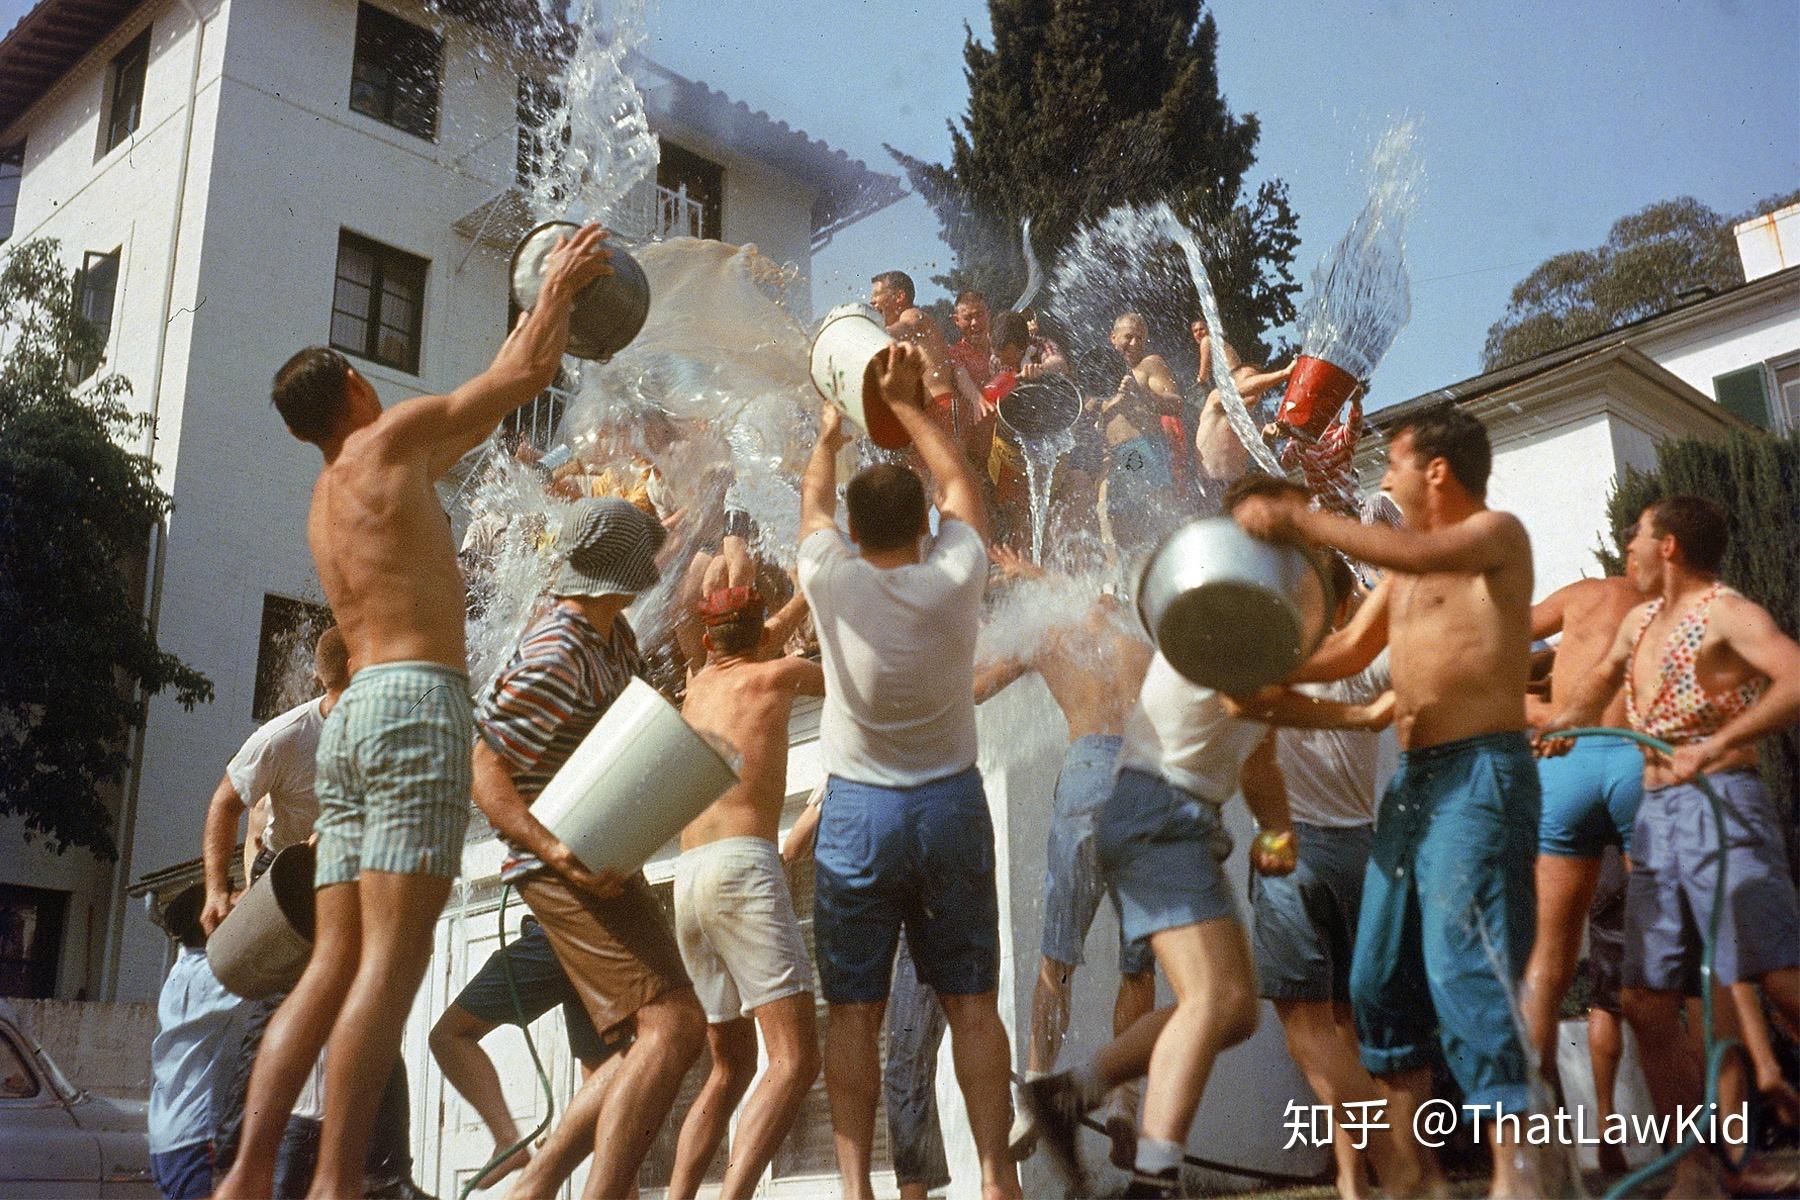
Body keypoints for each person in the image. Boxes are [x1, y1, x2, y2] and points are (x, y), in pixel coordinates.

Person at [213, 222, 616, 1200]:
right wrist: (557, 285)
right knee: (392, 965)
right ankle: (335, 1185)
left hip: (350, 718)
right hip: (412, 706)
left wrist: (536, 318)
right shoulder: (390, 440)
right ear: (357, 386)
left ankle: (249, 1175)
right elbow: (525, 374)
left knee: (333, 964)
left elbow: (489, 402)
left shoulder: (330, 494)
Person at [1233, 407, 1546, 1200]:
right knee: (1379, 983)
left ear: (1437, 471)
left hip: (1480, 777)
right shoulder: (1403, 572)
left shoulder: (1493, 536)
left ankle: (1522, 1178)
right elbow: (1344, 651)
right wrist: (1257, 668)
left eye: (1394, 463)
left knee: (1467, 968)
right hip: (1414, 787)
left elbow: (1411, 549)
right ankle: (1418, 1182)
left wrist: (1299, 517)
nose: (1383, 476)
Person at [796, 342, 1021, 1200]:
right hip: (949, 806)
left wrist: (831, 435)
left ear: (855, 534)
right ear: (925, 530)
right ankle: (997, 1180)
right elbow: (960, 483)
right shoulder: (955, 574)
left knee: (856, 1014)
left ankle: (858, 1188)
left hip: (858, 814)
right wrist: (912, 406)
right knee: (971, 1004)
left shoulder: (830, 579)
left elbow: (813, 504)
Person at [1542, 494, 1800, 1197]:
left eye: (1638, 536)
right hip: (1657, 816)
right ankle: (1698, 1166)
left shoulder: (1727, 613)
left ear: (1670, 546)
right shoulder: (1640, 621)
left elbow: (1793, 678)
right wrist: (1562, 722)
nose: (1627, 547)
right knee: (1646, 999)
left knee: (1779, 980)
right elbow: (1596, 682)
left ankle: (1729, 1155)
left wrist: (1717, 743)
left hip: (1724, 805)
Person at [471, 496, 709, 1199]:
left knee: (651, 1041)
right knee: (673, 1028)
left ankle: (537, 1186)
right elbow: (484, 770)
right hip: (560, 863)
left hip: (598, 853)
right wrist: (556, 853)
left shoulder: (612, 635)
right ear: (619, 574)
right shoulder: (561, 650)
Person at [1221, 553, 1426, 1199]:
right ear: (1344, 605)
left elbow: (1250, 762)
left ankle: (1382, 1174)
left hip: (1291, 850)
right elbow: (1428, 674)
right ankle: (1353, 1179)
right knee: (1347, 1031)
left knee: (1312, 1036)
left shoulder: (1263, 663)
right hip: (1362, 856)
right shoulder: (1363, 664)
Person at [971, 546, 1157, 1169]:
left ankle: (1036, 1089)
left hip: (1085, 777)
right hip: (1142, 778)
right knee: (1138, 964)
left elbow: (974, 689)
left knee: (1058, 957)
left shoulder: (1048, 631)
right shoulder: (1135, 625)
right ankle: (1124, 1103)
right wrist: (1034, 574)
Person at [665, 582, 826, 1199]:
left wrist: (805, 594)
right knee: (794, 1060)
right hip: (741, 870)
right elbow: (863, 683)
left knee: (730, 1068)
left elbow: (755, 636)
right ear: (760, 635)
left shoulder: (698, 685)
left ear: (708, 640)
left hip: (687, 877)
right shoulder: (779, 676)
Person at [1516, 573, 1646, 1099]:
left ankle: (1539, 1130)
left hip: (1568, 756)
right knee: (1677, 961)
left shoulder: (1582, 595)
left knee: (1547, 963)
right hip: (1635, 754)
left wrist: (1535, 710)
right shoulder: (1667, 602)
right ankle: (1715, 1134)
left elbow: (1499, 633)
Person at [426, 919, 632, 1193]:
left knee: (448, 1035)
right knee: (607, 1106)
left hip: (559, 935)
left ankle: (508, 1141)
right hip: (602, 948)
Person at [148, 885, 248, 1200]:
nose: (237, 897)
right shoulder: (219, 976)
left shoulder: (180, 970)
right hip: (196, 1133)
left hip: (166, 1134)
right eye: (231, 893)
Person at [869, 270, 989, 466]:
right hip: (927, 416)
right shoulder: (904, 345)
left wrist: (866, 333)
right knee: (926, 480)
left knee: (944, 478)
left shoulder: (912, 314)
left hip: (941, 408)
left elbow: (905, 327)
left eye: (876, 295)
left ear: (899, 297)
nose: (872, 302)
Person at [1100, 313, 1187, 548]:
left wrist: (1141, 394)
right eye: (1129, 337)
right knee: (1115, 528)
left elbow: (1176, 404)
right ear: (1113, 337)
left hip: (1141, 448)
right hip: (1112, 458)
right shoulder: (1100, 373)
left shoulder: (1149, 364)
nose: (1135, 343)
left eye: (1140, 338)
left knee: (1158, 516)